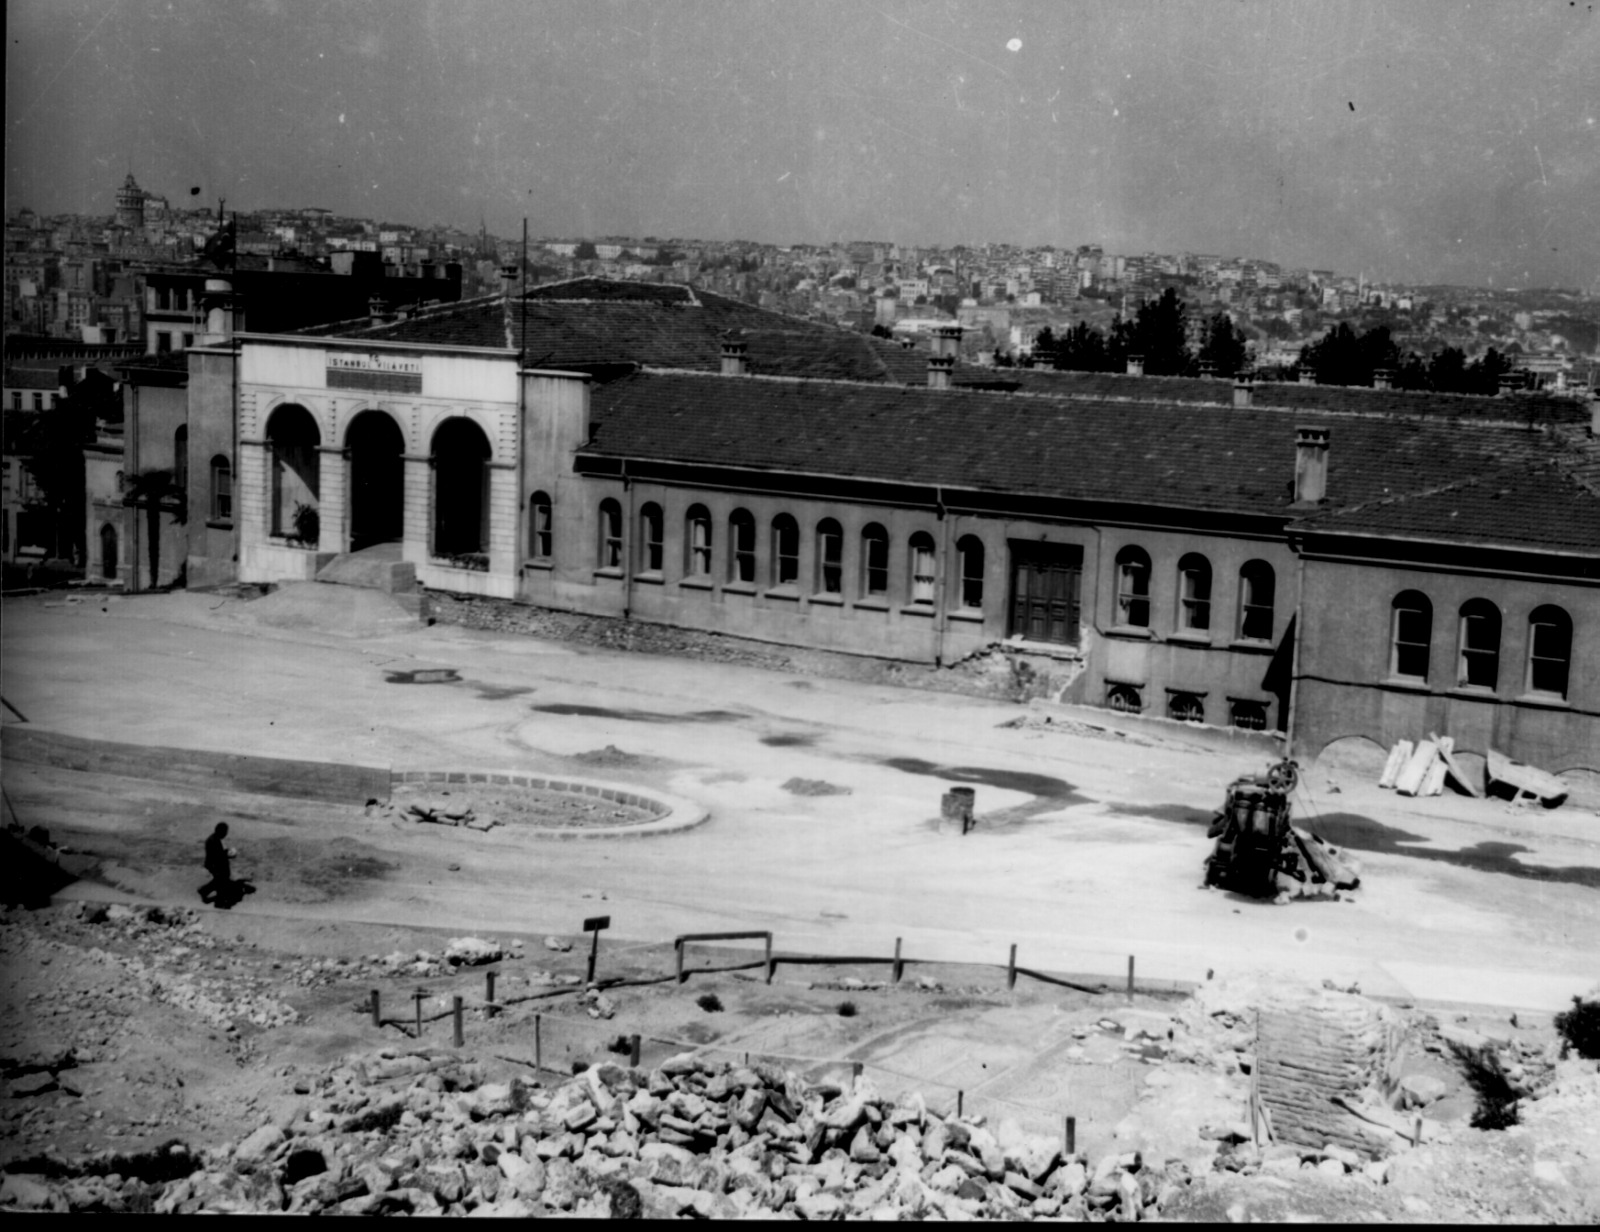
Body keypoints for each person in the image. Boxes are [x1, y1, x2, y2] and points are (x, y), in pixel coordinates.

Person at [200, 822, 234, 905]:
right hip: (215, 865)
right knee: (221, 880)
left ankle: (204, 891)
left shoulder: (214, 838)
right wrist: (228, 854)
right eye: (225, 832)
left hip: (214, 864)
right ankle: (219, 901)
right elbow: (218, 855)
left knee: (219, 880)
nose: (226, 834)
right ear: (220, 832)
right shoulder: (213, 841)